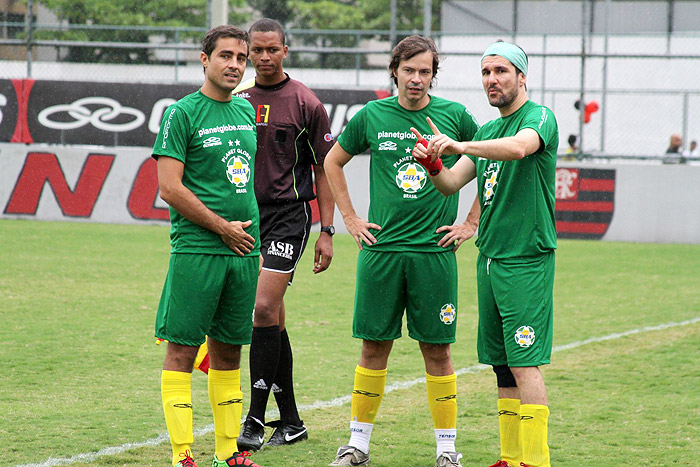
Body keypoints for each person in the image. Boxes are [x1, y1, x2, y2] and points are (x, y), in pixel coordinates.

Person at [323, 35, 480, 467]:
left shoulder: (454, 116)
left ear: (433, 74)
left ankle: (447, 450)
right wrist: (351, 219)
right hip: (382, 252)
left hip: (434, 254)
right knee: (373, 347)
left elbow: (489, 161)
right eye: (409, 70)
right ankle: (357, 445)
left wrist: (471, 222)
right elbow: (331, 161)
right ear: (394, 70)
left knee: (438, 351)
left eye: (425, 71)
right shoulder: (372, 115)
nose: (416, 79)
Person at [412, 40, 558, 467]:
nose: (492, 80)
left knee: (525, 361)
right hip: (490, 258)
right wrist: (433, 165)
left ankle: (535, 460)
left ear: (521, 76)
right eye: (486, 72)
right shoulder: (487, 131)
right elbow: (451, 184)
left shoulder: (539, 117)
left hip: (526, 258)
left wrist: (457, 145)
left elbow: (518, 148)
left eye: (501, 71)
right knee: (501, 365)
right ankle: (510, 458)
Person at [152, 25, 264, 467]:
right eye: (226, 56)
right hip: (199, 251)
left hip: (243, 253)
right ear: (204, 59)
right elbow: (169, 188)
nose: (235, 64)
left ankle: (226, 455)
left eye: (242, 57)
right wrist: (222, 227)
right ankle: (183, 456)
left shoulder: (243, 112)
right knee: (181, 350)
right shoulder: (182, 114)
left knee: (228, 353)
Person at [231, 18, 336, 451]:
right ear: (249, 52)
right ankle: (290, 420)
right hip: (246, 221)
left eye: (272, 49)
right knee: (271, 317)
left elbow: (326, 169)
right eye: (257, 50)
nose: (264, 57)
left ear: (286, 50)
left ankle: (254, 418)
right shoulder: (237, 102)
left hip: (290, 218)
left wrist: (327, 230)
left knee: (261, 307)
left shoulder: (306, 103)